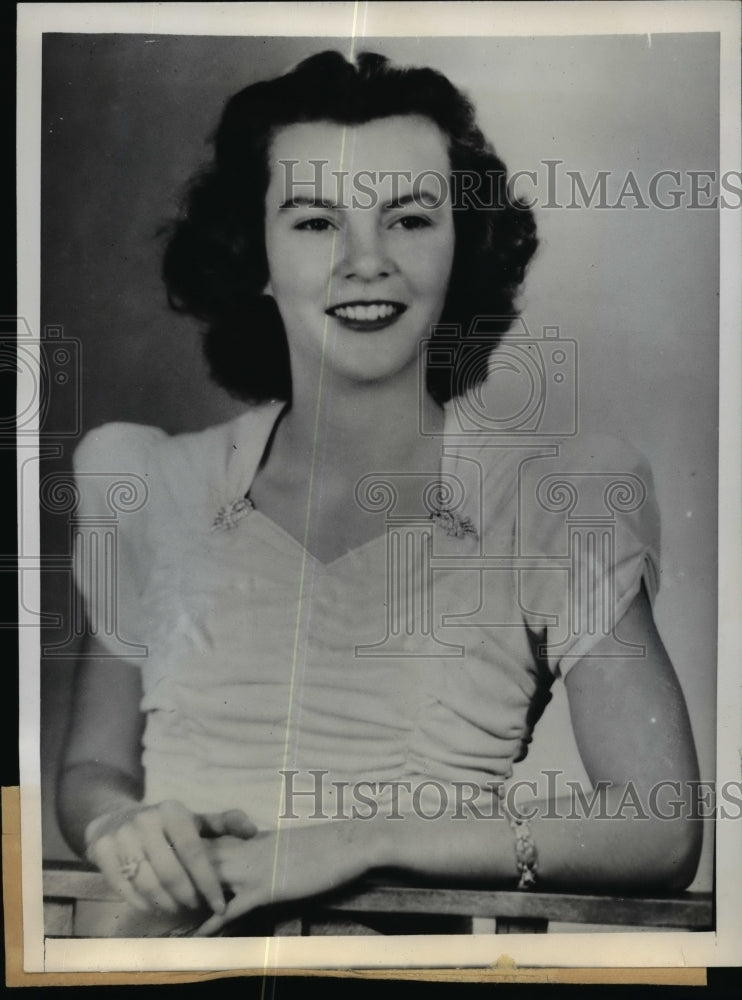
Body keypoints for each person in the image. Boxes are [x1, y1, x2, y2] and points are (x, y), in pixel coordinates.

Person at [57, 51, 702, 937]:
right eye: (317, 223)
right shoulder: (155, 482)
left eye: (408, 219)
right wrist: (118, 823)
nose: (368, 263)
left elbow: (661, 827)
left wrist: (355, 841)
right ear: (257, 256)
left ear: (459, 245)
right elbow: (91, 767)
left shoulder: (554, 500)